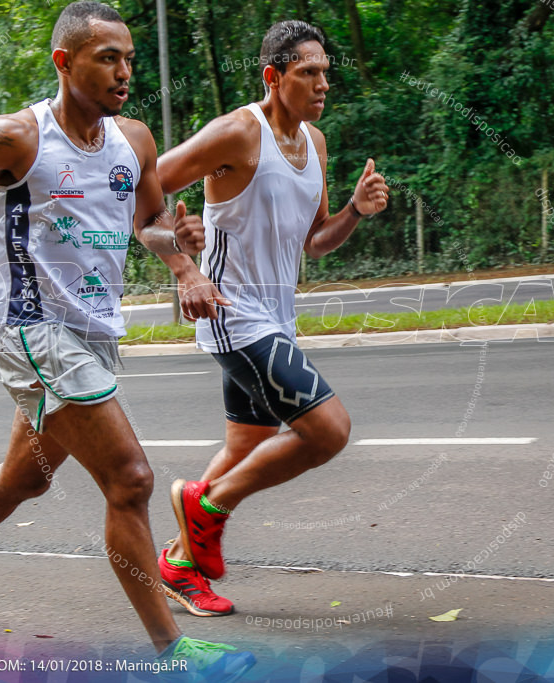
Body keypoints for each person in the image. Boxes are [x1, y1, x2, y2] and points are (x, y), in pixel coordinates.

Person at [0, 2, 254, 677]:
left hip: (95, 330)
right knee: (131, 477)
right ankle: (173, 653)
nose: (125, 71)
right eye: (108, 58)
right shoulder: (15, 138)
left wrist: (181, 260)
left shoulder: (135, 141)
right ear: (65, 62)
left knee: (25, 478)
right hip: (34, 328)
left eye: (129, 58)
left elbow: (149, 220)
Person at [153, 20, 389, 617]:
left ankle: (181, 563)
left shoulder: (316, 143)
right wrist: (182, 257)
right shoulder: (236, 133)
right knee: (328, 430)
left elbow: (315, 241)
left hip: (275, 317)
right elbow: (142, 191)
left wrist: (355, 213)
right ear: (273, 75)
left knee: (246, 444)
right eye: (308, 72)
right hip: (230, 311)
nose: (321, 84)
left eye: (325, 73)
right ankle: (206, 508)